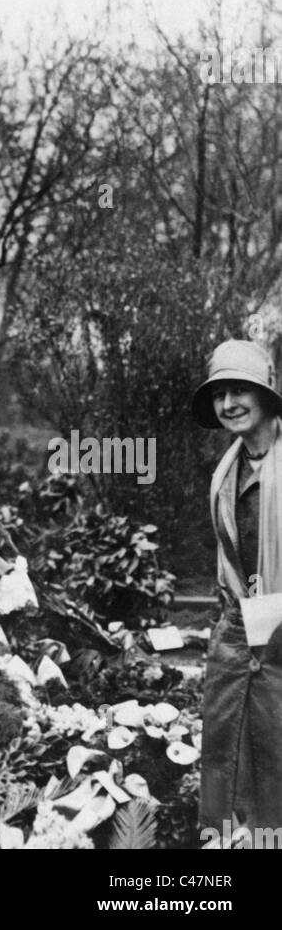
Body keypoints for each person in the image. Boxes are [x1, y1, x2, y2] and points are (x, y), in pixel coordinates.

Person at [192, 338, 282, 831]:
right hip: (236, 631)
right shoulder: (225, 474)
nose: (228, 404)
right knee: (225, 755)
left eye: (240, 390)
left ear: (267, 395)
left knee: (275, 758)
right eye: (219, 393)